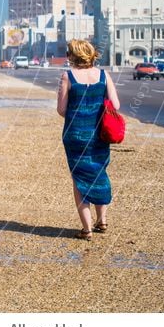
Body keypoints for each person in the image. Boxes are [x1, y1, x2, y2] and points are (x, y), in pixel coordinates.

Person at [57, 39, 120, 241]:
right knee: (99, 173)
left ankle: (87, 230)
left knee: (80, 179)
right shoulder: (103, 75)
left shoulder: (67, 76)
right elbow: (116, 105)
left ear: (72, 56)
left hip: (75, 136)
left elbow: (61, 110)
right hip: (100, 135)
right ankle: (102, 221)